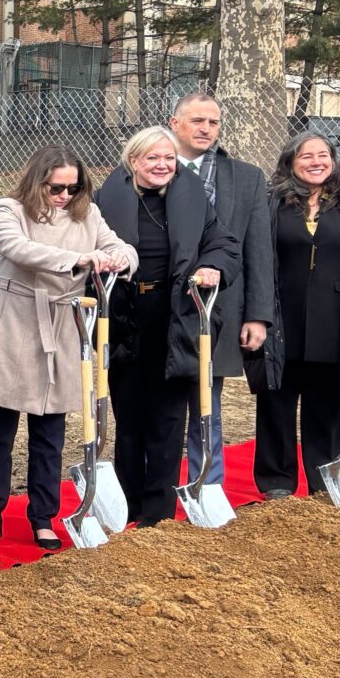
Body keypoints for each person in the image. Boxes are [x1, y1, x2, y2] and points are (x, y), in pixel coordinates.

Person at [0, 146, 134, 549]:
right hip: (12, 325)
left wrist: (120, 260)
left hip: (62, 328)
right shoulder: (8, 208)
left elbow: (121, 248)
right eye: (56, 188)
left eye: (73, 188)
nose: (65, 196)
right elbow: (18, 248)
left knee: (49, 434)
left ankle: (43, 517)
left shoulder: (87, 213)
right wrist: (82, 258)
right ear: (37, 181)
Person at [94, 127, 239, 526]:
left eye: (169, 158)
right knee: (128, 416)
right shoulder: (107, 199)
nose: (162, 165)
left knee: (168, 417)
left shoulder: (193, 199)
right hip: (124, 316)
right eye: (152, 158)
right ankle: (128, 504)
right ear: (133, 161)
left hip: (175, 316)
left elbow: (223, 244)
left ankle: (158, 512)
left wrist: (213, 267)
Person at [250, 135, 340, 497]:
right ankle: (277, 482)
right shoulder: (271, 202)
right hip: (280, 318)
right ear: (290, 162)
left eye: (323, 155)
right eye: (306, 156)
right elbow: (254, 255)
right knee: (275, 403)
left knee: (325, 404)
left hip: (335, 320)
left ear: (333, 159)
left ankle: (324, 480)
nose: (316, 162)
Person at [168, 91, 274, 492]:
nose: (206, 129)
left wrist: (258, 316)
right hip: (160, 308)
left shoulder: (246, 178)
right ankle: (155, 489)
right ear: (175, 123)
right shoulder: (152, 167)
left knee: (207, 402)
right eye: (197, 120)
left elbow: (258, 251)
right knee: (159, 409)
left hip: (220, 307)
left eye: (213, 122)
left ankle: (206, 486)